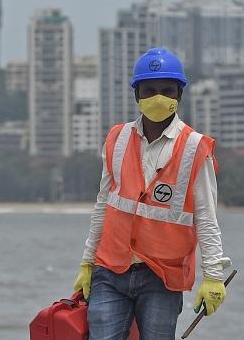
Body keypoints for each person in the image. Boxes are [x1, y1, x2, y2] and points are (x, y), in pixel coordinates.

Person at [73, 47, 231, 340]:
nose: (158, 97)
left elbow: (206, 218)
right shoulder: (117, 139)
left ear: (179, 95)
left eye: (167, 90)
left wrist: (213, 277)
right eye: (150, 90)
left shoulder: (196, 149)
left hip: (162, 277)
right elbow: (103, 206)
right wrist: (87, 262)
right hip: (111, 270)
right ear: (137, 95)